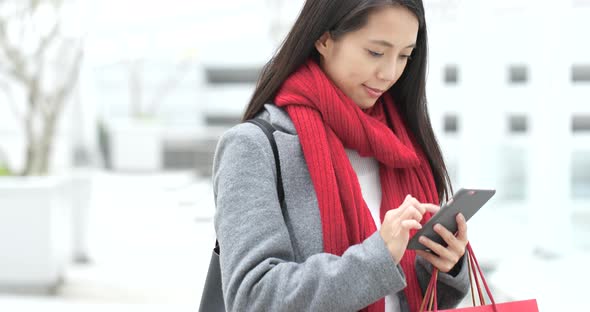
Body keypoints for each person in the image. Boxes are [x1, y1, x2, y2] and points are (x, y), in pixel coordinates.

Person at [212, 0, 470, 311]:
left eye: (404, 56)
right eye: (375, 52)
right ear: (323, 38)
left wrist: (445, 267)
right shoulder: (254, 147)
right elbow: (253, 298)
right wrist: (378, 257)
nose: (390, 73)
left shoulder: (402, 147)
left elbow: (406, 299)